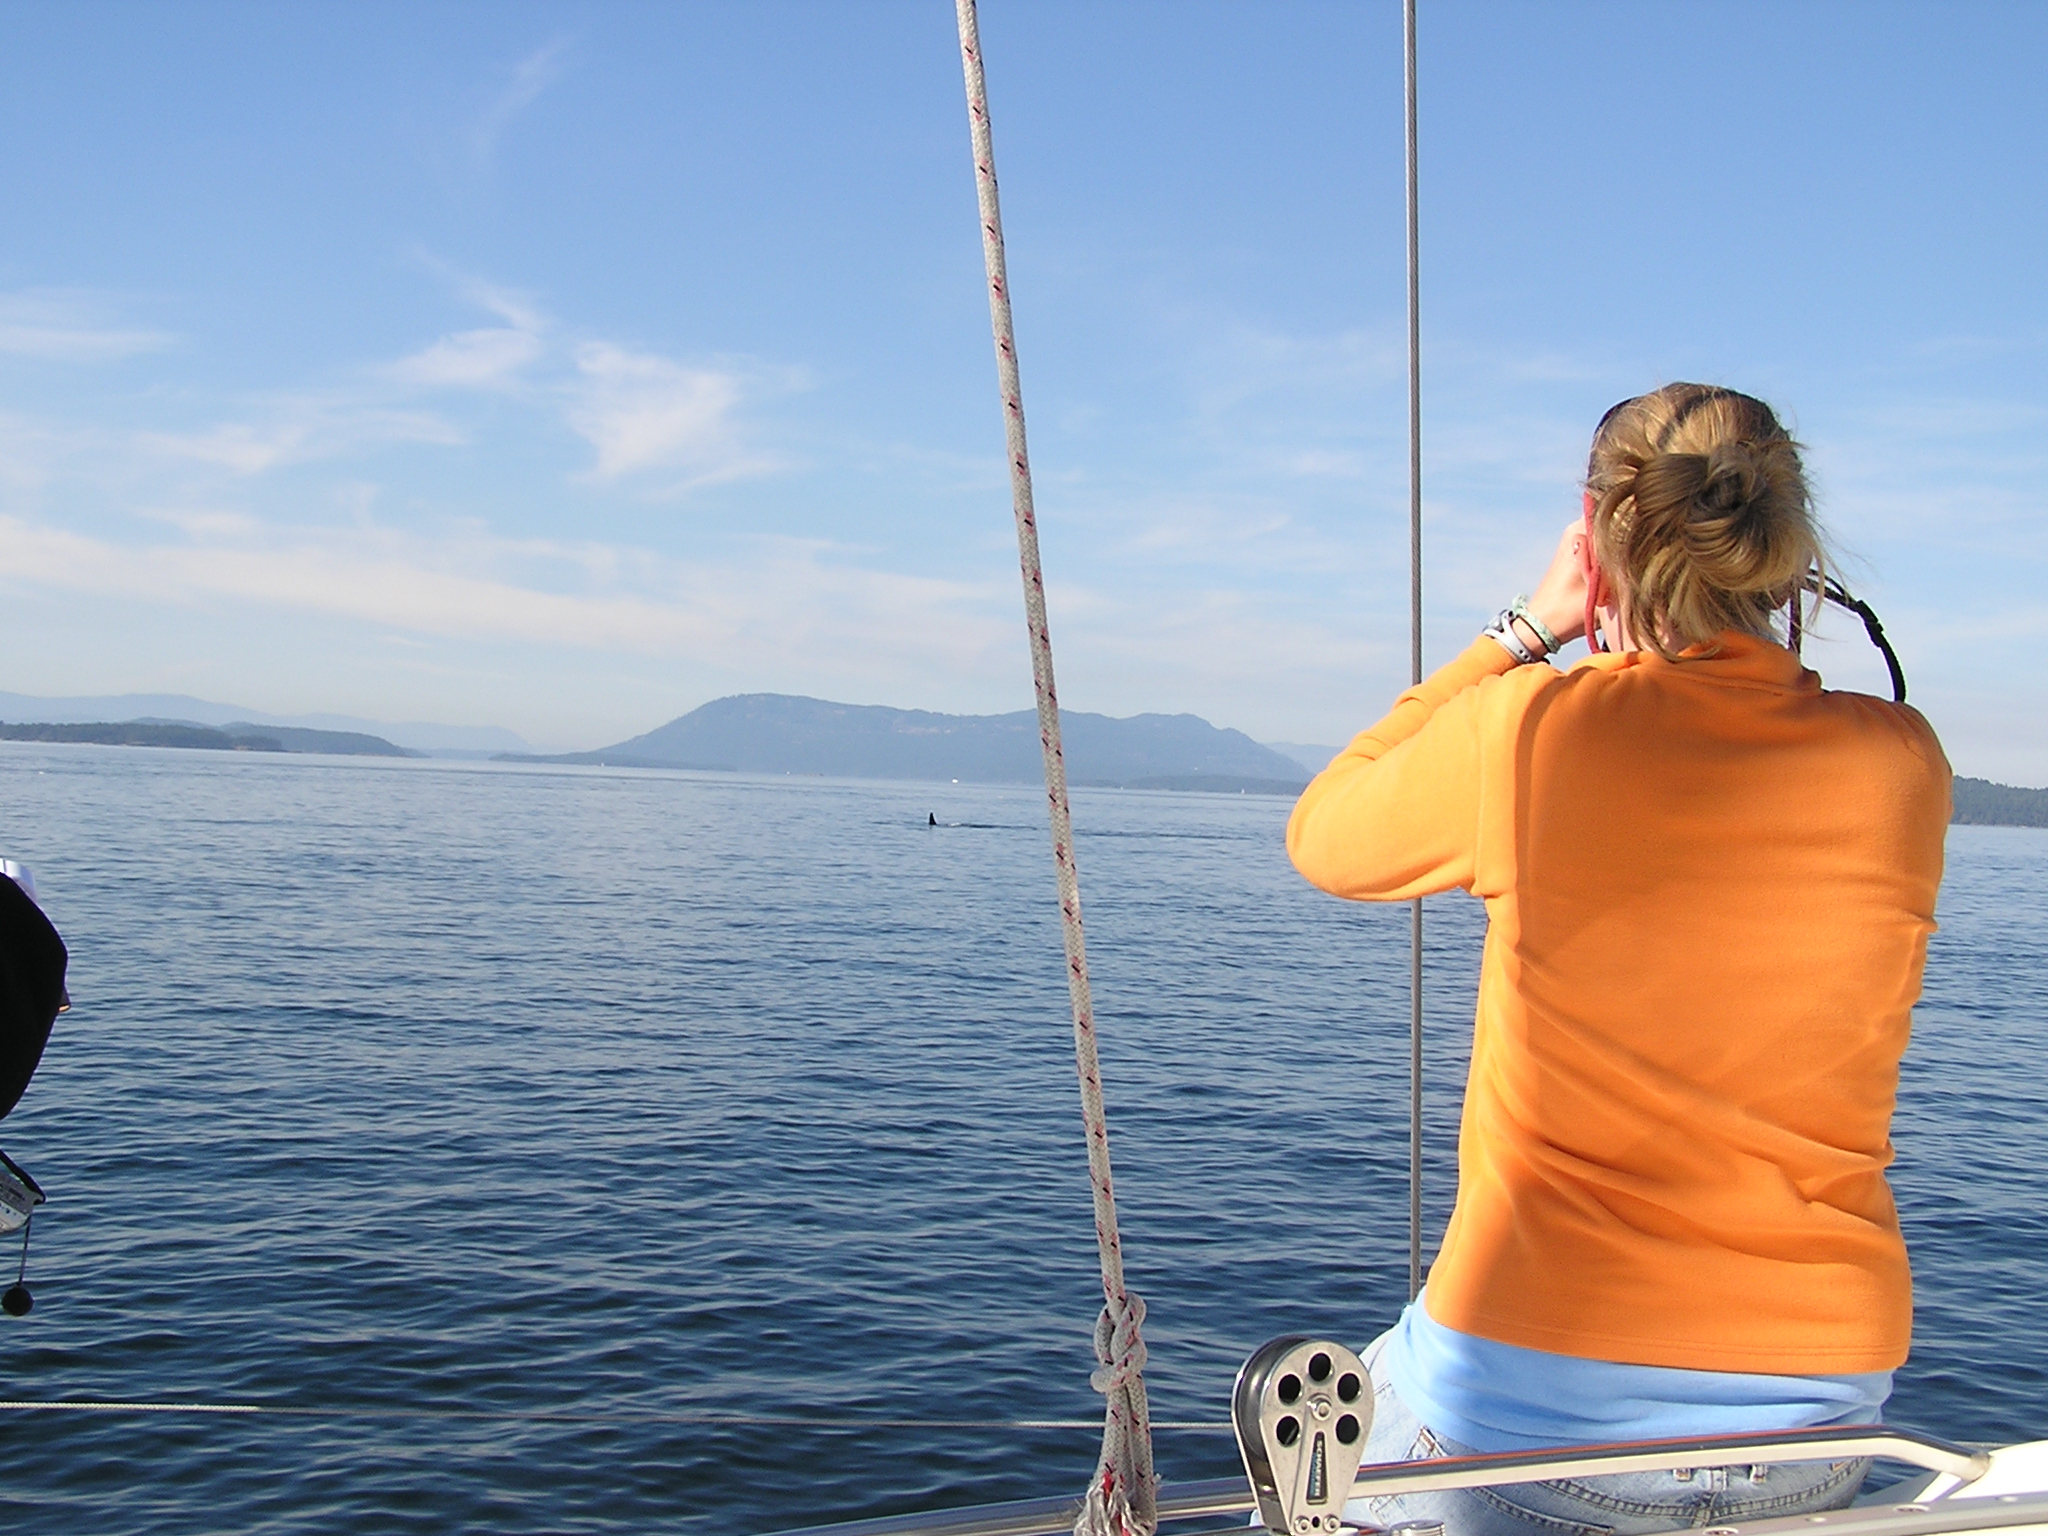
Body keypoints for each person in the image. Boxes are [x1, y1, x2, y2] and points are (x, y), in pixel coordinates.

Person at [1285, 383, 1951, 1536]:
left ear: (1596, 539)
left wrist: (1522, 630)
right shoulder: (1905, 765)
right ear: (1785, 550)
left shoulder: (1536, 730)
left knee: (1313, 1443)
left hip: (1533, 1405)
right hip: (1817, 1419)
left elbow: (1325, 832)